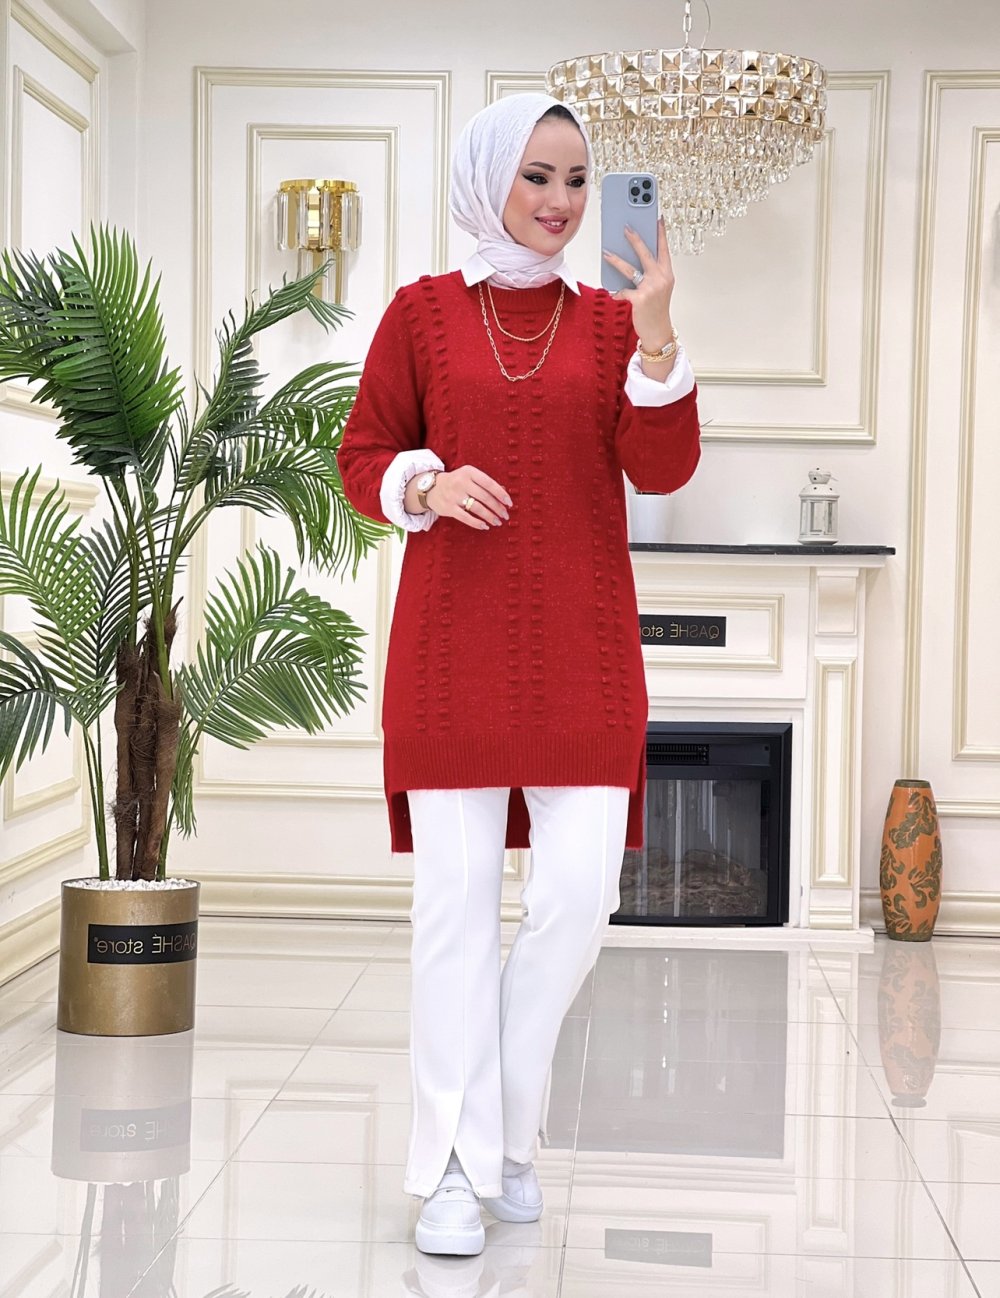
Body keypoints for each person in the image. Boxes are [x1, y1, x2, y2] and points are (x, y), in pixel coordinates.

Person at [336, 92, 701, 1257]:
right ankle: (457, 1161)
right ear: (488, 177)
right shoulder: (421, 313)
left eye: (577, 180)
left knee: (578, 899)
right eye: (536, 176)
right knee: (453, 914)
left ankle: (501, 1125)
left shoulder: (610, 324)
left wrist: (656, 336)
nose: (559, 201)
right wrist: (427, 484)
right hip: (451, 656)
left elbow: (662, 469)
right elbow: (360, 454)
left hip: (585, 656)